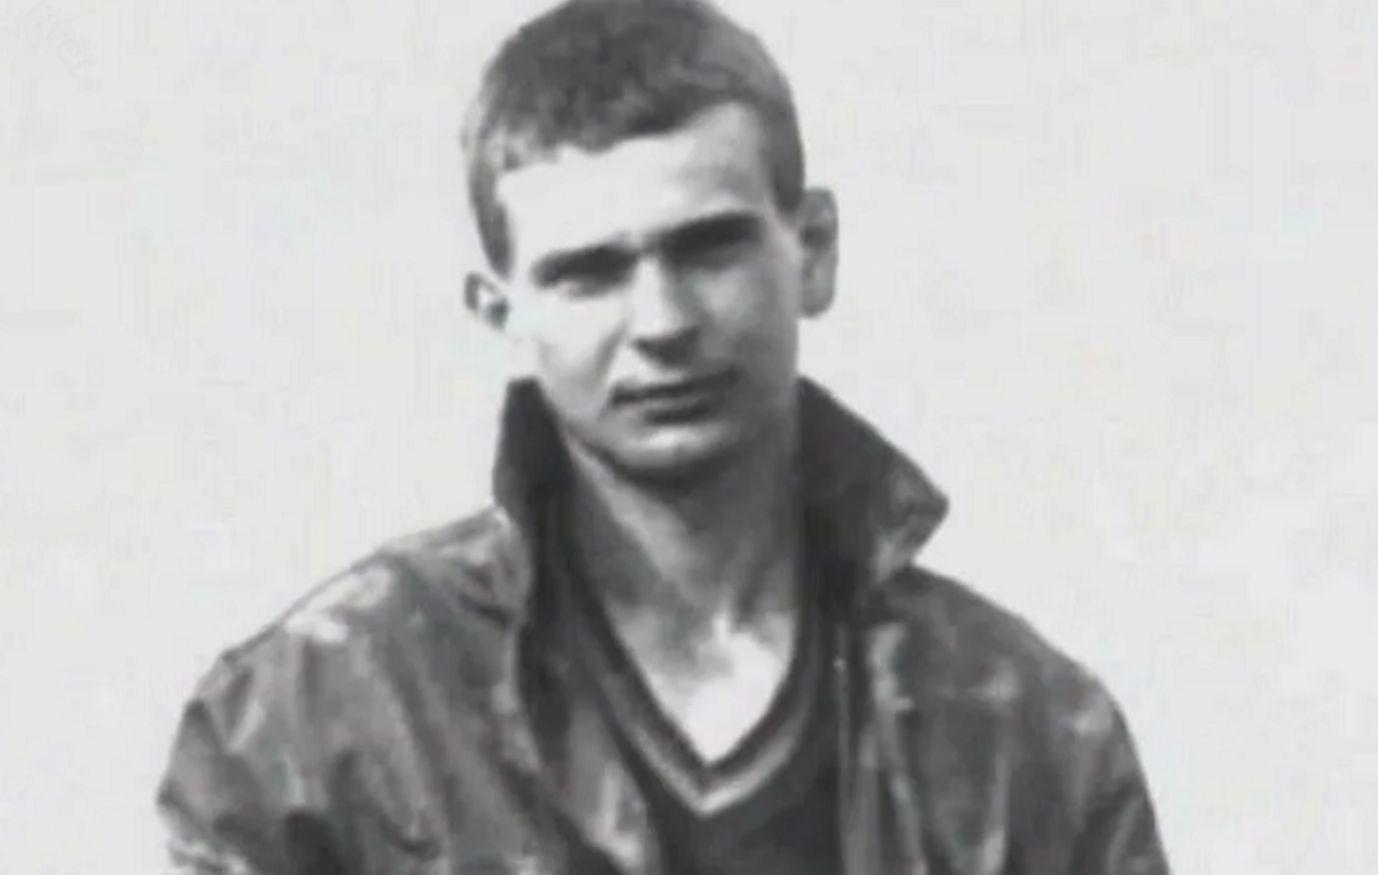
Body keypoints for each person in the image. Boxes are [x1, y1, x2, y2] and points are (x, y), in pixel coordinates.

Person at [156, 1, 1170, 872]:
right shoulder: (314, 720)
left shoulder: (1025, 734)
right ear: (502, 310)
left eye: (710, 246)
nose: (663, 322)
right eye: (588, 273)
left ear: (813, 249)